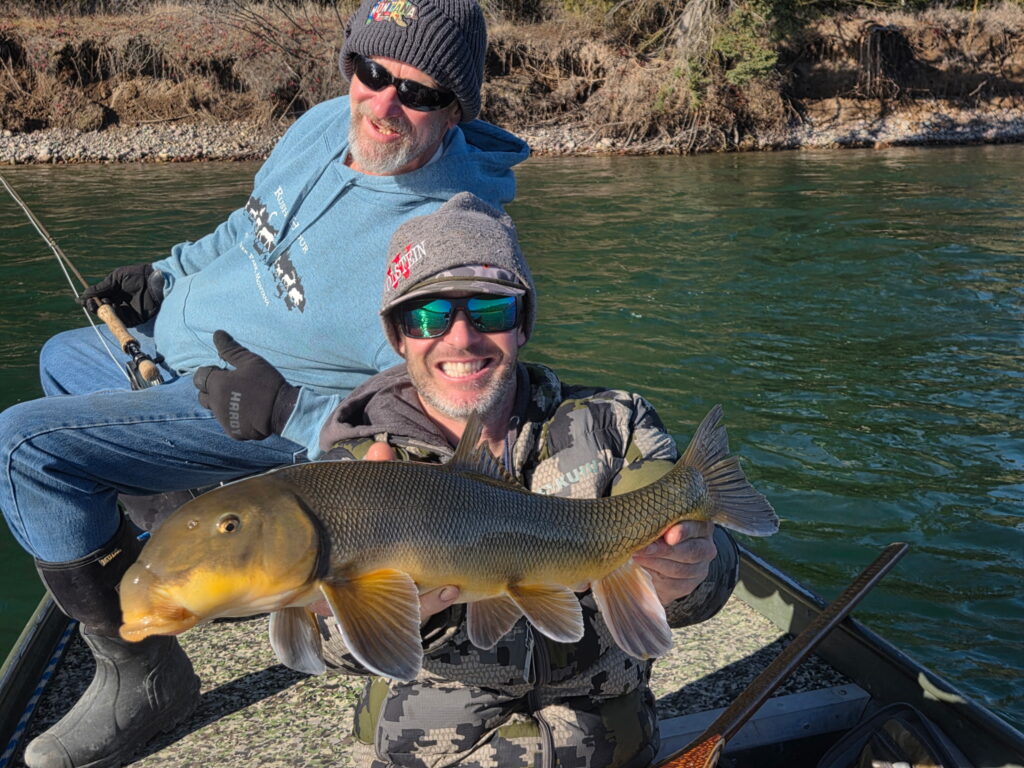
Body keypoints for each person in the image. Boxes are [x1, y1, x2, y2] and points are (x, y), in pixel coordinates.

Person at [0, 2, 528, 766]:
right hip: (176, 351)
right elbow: (246, 231)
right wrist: (165, 276)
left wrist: (289, 409)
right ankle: (194, 537)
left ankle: (142, 675)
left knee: (23, 448)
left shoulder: (446, 234)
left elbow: (435, 414)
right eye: (371, 72)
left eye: (418, 92)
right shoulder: (325, 124)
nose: (383, 104)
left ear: (456, 109)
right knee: (61, 357)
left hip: (265, 417)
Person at [315, 192, 740, 767]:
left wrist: (689, 574)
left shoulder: (616, 422)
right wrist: (386, 617)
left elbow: (713, 578)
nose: (461, 338)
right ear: (398, 335)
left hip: (610, 745)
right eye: (428, 315)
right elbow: (321, 648)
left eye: (490, 311)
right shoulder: (353, 470)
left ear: (521, 325)